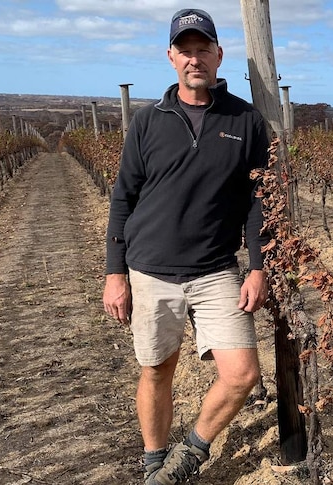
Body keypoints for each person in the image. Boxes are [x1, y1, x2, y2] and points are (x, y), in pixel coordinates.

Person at [102, 7, 271, 484]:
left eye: (203, 50)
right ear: (171, 57)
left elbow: (263, 200)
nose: (194, 59)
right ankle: (155, 462)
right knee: (157, 369)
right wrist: (116, 273)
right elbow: (123, 198)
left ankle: (189, 454)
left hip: (216, 268)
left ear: (219, 55)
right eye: (185, 50)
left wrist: (257, 267)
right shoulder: (149, 121)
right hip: (150, 269)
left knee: (242, 374)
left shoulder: (246, 120)